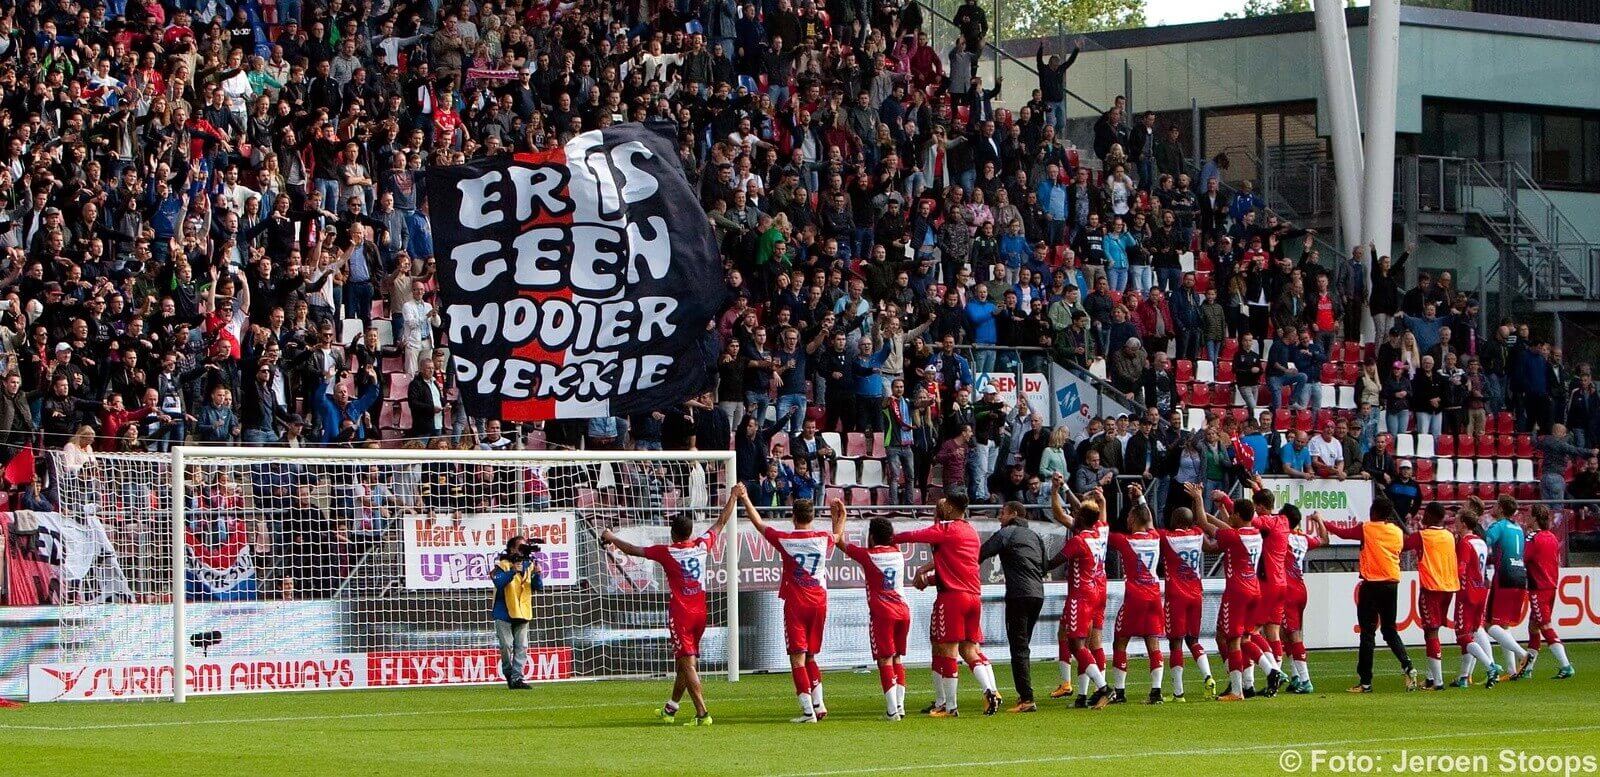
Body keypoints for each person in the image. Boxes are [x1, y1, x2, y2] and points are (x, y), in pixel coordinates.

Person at [600, 485, 739, 725]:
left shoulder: (666, 551)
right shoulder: (702, 545)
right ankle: (671, 708)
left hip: (682, 614)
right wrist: (734, 496)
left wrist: (611, 538)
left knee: (688, 664)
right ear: (690, 532)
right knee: (684, 663)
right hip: (700, 611)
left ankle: (702, 713)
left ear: (672, 533)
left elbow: (634, 550)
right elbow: (721, 522)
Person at [898, 493, 1001, 717]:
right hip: (974, 596)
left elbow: (914, 535)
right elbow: (955, 566)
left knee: (946, 649)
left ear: (952, 507)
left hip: (952, 598)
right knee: (970, 648)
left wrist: (888, 538)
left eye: (944, 504)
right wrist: (929, 577)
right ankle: (990, 690)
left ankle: (949, 706)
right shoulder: (971, 533)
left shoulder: (946, 530)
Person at [740, 491, 834, 722]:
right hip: (819, 602)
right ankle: (819, 705)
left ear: (793, 517)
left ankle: (806, 711)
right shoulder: (823, 538)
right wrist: (839, 515)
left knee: (797, 658)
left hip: (797, 603)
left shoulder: (786, 539)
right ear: (813, 517)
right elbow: (839, 534)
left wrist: (745, 498)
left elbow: (759, 523)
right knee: (810, 656)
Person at [1323, 498, 1417, 693]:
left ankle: (1365, 682)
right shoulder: (1397, 532)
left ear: (1373, 511)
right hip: (1392, 583)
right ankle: (1408, 665)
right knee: (1390, 630)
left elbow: (1342, 532)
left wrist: (1321, 521)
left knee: (1368, 633)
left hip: (1372, 584)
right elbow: (1401, 548)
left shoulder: (1367, 528)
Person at [831, 500, 913, 720]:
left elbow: (839, 542)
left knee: (884, 660)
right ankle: (900, 706)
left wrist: (840, 517)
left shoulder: (868, 556)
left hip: (883, 614)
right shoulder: (898, 553)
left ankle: (891, 711)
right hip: (904, 611)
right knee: (897, 659)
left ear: (872, 537)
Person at [1184, 483, 1260, 701]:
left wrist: (1199, 499)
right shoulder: (1254, 533)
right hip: (1254, 589)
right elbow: (1222, 526)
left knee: (1234, 640)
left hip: (1237, 591)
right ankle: (1247, 683)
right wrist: (1209, 511)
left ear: (1236, 515)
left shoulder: (1233, 538)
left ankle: (1241, 688)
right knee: (1239, 636)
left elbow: (1204, 524)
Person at [1045, 477, 1112, 709]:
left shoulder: (1079, 539)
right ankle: (1085, 694)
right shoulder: (1100, 530)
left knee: (1080, 643)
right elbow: (1079, 509)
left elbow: (1054, 561)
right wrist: (1063, 488)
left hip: (1082, 592)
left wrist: (1032, 562)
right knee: (1083, 640)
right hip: (1098, 587)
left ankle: (1101, 688)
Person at [978, 500, 1049, 712]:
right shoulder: (1036, 536)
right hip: (1038, 594)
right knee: (1023, 646)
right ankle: (1025, 696)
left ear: (1013, 514)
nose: (1000, 517)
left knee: (1018, 647)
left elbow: (981, 553)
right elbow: (1044, 566)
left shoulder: (1007, 533)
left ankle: (1026, 699)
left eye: (1002, 513)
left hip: (1019, 594)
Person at [1109, 484, 1168, 704]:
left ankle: (1120, 691)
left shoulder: (1126, 541)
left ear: (1133, 520)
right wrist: (1141, 498)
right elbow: (1149, 519)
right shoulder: (1154, 537)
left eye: (1130, 518)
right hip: (1154, 596)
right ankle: (1156, 692)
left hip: (1134, 597)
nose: (1127, 521)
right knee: (1153, 643)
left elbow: (1104, 532)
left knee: (1120, 642)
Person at [1158, 496, 1216, 701]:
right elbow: (1211, 546)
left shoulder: (1167, 537)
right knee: (1193, 640)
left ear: (1179, 522)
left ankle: (1178, 693)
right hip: (1196, 595)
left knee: (1175, 643)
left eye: (1174, 519)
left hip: (1176, 597)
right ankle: (1208, 676)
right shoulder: (1198, 534)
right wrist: (1197, 500)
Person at [1402, 502, 1460, 691]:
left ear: (1430, 516)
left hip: (1431, 588)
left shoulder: (1423, 536)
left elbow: (1403, 545)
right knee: (1432, 631)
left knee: (1431, 631)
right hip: (1449, 587)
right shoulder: (1449, 536)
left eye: (1425, 514)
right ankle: (1430, 678)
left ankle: (1438, 681)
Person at [1482, 494, 1531, 685]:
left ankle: (1523, 654)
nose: (1493, 508)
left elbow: (1485, 543)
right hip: (1520, 574)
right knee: (1504, 625)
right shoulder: (1518, 528)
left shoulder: (1499, 526)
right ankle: (1511, 670)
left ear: (1501, 509)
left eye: (1495, 505)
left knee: (1489, 624)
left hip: (1505, 576)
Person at [1523, 504, 1576, 680]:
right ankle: (1528, 668)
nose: (1526, 518)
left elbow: (1524, 558)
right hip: (1551, 586)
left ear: (1535, 519)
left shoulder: (1533, 538)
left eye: (1529, 515)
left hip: (1539, 588)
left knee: (1545, 626)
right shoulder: (1552, 537)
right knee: (1533, 626)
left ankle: (1566, 665)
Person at [1450, 498, 1499, 688]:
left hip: (1467, 592)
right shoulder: (1480, 541)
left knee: (1463, 635)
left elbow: (1461, 569)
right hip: (1481, 590)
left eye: (1457, 520)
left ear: (1463, 523)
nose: (1454, 522)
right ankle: (1463, 677)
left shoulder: (1465, 543)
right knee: (1472, 632)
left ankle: (1490, 665)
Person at [1282, 506, 1327, 693]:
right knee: (1289, 634)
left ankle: (1306, 680)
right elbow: (1325, 540)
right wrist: (1319, 521)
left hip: (1288, 590)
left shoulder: (1282, 537)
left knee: (1293, 635)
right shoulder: (1303, 538)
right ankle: (1295, 677)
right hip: (1301, 588)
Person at [490, 535, 544, 690]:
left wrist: (537, 574)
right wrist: (512, 571)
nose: (522, 550)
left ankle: (517, 678)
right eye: (520, 547)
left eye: (524, 547)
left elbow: (538, 587)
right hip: (504, 611)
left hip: (523, 610)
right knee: (506, 645)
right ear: (512, 548)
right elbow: (498, 582)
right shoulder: (503, 564)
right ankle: (508, 672)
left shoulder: (530, 564)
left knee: (522, 646)